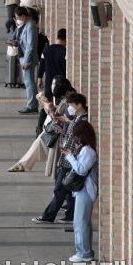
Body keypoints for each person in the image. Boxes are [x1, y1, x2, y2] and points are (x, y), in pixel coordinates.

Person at [32, 93, 88, 225]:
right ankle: (70, 214)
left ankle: (48, 216)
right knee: (68, 189)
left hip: (70, 161)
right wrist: (62, 132)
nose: (69, 108)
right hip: (67, 158)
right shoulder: (77, 118)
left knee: (59, 189)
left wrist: (71, 152)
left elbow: (80, 141)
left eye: (71, 105)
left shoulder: (83, 121)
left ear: (79, 105)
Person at [8, 76, 74, 172]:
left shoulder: (70, 101)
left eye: (54, 84)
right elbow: (51, 112)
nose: (52, 86)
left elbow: (58, 115)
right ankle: (22, 164)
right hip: (56, 130)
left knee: (41, 139)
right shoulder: (59, 97)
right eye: (52, 84)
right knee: (40, 139)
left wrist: (44, 102)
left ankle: (22, 164)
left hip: (63, 135)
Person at [63, 120, 98, 262]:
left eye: (76, 135)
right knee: (83, 221)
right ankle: (85, 251)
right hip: (83, 190)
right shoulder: (86, 149)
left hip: (86, 190)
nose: (75, 138)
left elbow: (81, 170)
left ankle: (83, 253)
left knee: (80, 222)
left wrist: (70, 157)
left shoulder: (88, 151)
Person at [36, 28, 67, 134]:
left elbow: (42, 65)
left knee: (46, 107)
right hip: (60, 85)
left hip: (49, 84)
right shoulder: (65, 52)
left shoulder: (46, 50)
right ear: (66, 39)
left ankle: (39, 128)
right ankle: (54, 130)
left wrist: (39, 78)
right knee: (58, 108)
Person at [13, 7, 39, 114]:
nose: (17, 20)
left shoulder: (31, 26)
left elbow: (30, 45)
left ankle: (32, 105)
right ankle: (32, 103)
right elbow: (19, 38)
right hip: (24, 57)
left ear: (23, 16)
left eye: (18, 17)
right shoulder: (25, 25)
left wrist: (26, 61)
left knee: (29, 82)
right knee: (28, 81)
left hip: (28, 59)